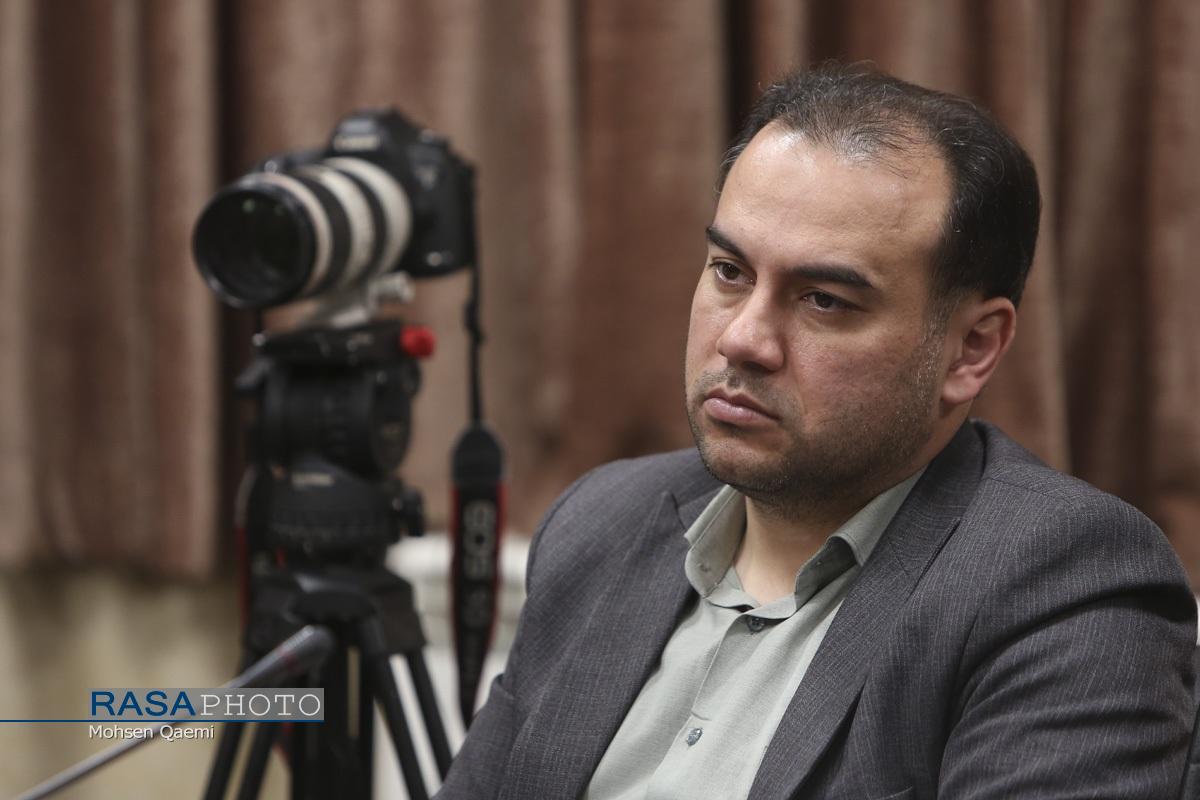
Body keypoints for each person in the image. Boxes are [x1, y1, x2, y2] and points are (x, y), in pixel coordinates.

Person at [436, 63, 1196, 799]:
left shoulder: (1063, 585)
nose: (743, 340)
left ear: (972, 348)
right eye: (730, 272)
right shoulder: (601, 523)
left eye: (824, 300)